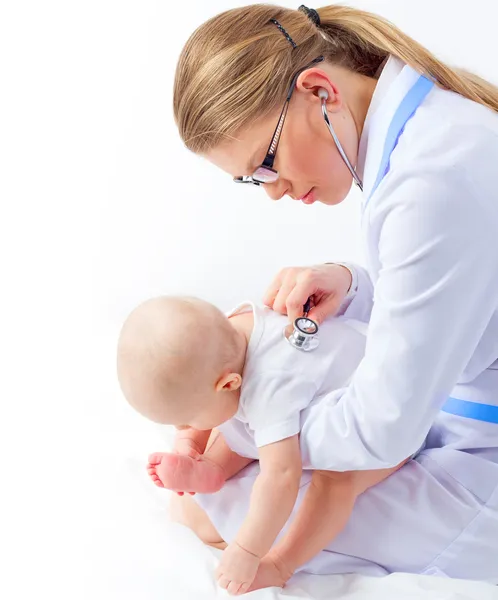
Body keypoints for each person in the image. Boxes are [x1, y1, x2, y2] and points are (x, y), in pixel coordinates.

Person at [170, 2, 498, 588]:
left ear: (319, 91)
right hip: (459, 418)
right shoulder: (436, 134)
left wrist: (256, 426)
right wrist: (352, 285)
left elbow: (384, 427)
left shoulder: (431, 180)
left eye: (264, 165)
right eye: (254, 181)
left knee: (207, 506)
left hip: (480, 464)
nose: (272, 193)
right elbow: (465, 294)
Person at [117, 295, 403, 595]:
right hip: (313, 388)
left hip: (378, 421)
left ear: (229, 383)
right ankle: (209, 466)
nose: (179, 428)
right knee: (231, 418)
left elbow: (280, 477)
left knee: (336, 481)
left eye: (186, 420)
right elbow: (216, 399)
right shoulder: (225, 333)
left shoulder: (270, 390)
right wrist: (190, 439)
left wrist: (247, 549)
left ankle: (282, 564)